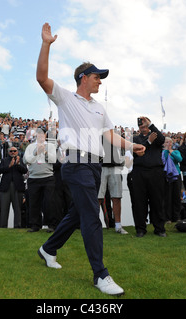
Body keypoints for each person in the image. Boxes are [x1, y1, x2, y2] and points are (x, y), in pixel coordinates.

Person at [35, 23, 145, 296]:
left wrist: (132, 145)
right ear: (84, 77)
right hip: (75, 163)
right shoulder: (65, 97)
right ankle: (100, 275)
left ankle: (48, 249)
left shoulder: (99, 108)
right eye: (97, 77)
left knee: (77, 214)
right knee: (91, 216)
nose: (100, 81)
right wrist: (46, 44)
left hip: (94, 165)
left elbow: (110, 136)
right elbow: (41, 77)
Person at [131, 117, 166, 237]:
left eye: (145, 126)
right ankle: (140, 229)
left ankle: (160, 228)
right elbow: (137, 150)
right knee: (139, 202)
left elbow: (162, 139)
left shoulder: (155, 136)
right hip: (139, 172)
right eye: (141, 127)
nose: (144, 128)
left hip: (155, 172)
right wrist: (148, 142)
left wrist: (151, 125)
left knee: (157, 201)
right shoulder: (134, 139)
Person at [23, 128, 57, 232]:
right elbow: (25, 160)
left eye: (43, 134)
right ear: (36, 135)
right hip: (34, 178)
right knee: (34, 203)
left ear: (45, 135)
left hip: (48, 177)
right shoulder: (30, 146)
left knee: (50, 202)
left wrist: (45, 152)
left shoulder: (51, 146)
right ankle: (35, 225)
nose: (41, 136)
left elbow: (54, 160)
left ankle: (52, 225)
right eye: (39, 134)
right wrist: (36, 152)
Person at [98, 133, 128, 234]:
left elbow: (123, 151)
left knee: (117, 197)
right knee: (98, 198)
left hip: (115, 167)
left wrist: (121, 164)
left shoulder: (116, 136)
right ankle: (93, 226)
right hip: (100, 167)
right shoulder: (97, 135)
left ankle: (118, 226)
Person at [0, 146, 28, 228]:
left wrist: (17, 164)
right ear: (8, 152)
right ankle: (3, 227)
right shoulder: (4, 160)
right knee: (4, 209)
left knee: (18, 208)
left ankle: (17, 226)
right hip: (5, 187)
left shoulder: (21, 160)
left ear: (17, 152)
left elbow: (25, 170)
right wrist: (9, 166)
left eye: (14, 151)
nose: (13, 152)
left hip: (18, 187)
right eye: (11, 151)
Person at [162, 136, 183, 223]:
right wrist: (167, 151)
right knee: (168, 197)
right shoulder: (162, 152)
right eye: (166, 142)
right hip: (167, 176)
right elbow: (163, 160)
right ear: (163, 144)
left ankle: (177, 217)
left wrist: (171, 152)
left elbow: (180, 159)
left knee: (176, 196)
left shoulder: (176, 151)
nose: (168, 144)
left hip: (176, 175)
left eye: (170, 142)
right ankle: (168, 217)